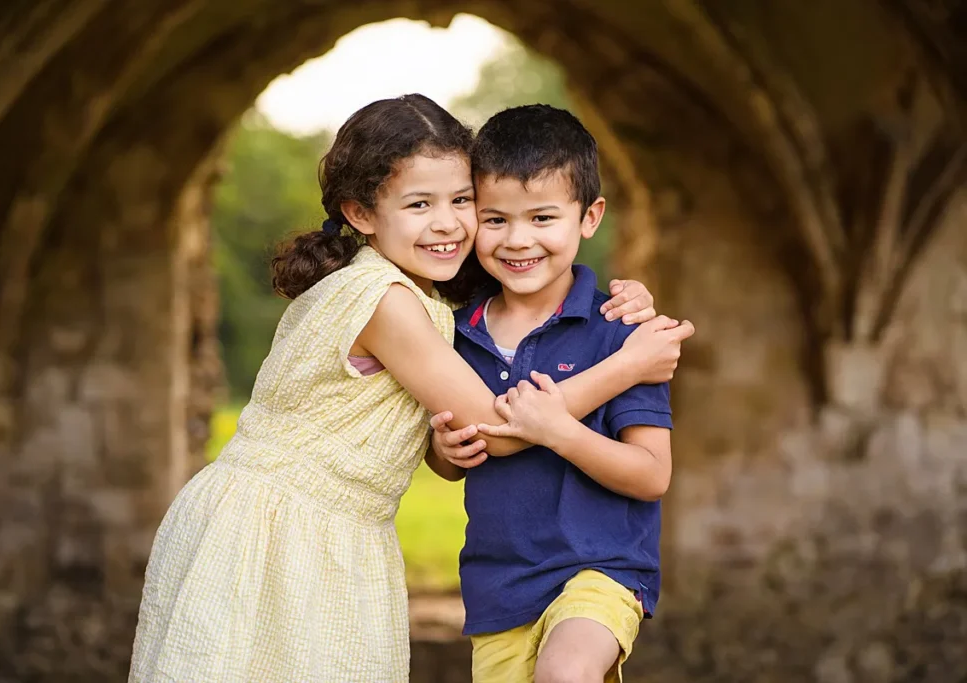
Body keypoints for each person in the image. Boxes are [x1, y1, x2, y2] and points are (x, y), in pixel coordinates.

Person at [128, 94, 685, 682]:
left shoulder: (432, 305)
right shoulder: (388, 302)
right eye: (420, 204)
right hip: (284, 531)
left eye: (463, 201)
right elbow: (494, 429)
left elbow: (441, 430)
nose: (448, 223)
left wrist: (443, 448)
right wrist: (630, 363)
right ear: (362, 214)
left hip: (324, 528)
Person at [430, 104, 693, 683]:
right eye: (495, 219)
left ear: (589, 216)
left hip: (601, 571)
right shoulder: (454, 335)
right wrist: (445, 450)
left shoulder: (622, 334)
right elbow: (449, 466)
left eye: (543, 217)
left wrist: (560, 431)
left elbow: (652, 474)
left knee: (565, 675)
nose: (518, 240)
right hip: (500, 587)